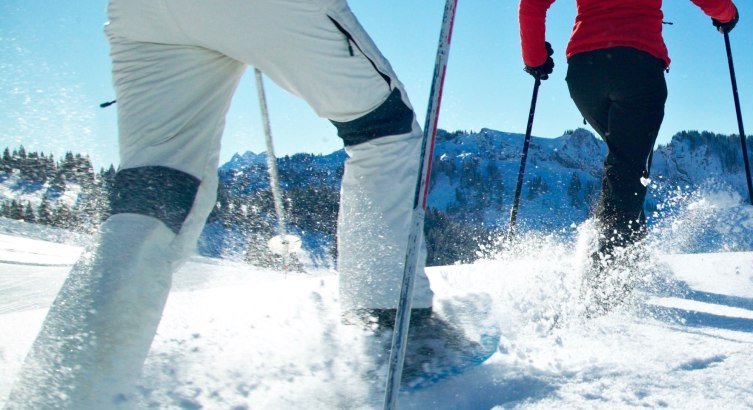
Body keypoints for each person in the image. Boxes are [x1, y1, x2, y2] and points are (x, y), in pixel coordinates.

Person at [6, 0, 434, 406]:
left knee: (158, 190)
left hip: (145, 14)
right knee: (385, 132)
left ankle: (62, 394)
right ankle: (395, 327)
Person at [518, 0, 739, 311]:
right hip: (637, 69)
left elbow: (532, 4)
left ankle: (631, 266)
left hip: (585, 74)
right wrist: (726, 14)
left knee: (628, 166)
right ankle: (603, 290)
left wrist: (535, 57)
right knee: (627, 169)